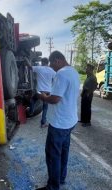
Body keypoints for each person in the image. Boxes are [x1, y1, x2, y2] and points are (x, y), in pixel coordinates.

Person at [36, 51, 80, 190]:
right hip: (69, 121)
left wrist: (43, 97)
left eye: (52, 64)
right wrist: (50, 95)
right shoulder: (73, 72)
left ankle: (52, 186)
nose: (52, 67)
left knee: (52, 154)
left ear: (58, 60)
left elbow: (55, 99)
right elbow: (62, 94)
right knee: (63, 151)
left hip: (59, 123)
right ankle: (60, 178)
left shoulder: (61, 73)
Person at [30, 57, 56, 128]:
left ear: (42, 62)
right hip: (48, 92)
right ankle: (43, 123)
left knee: (33, 100)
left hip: (40, 92)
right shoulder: (52, 71)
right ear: (48, 63)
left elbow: (30, 67)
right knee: (45, 107)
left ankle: (31, 112)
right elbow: (56, 79)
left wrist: (26, 59)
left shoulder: (39, 68)